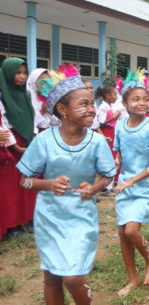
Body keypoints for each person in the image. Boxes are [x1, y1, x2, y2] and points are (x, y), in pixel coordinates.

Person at [16, 64, 116, 305]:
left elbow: (107, 176)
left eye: (92, 103)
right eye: (83, 104)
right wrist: (49, 183)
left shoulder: (97, 142)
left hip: (81, 216)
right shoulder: (44, 141)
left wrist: (94, 188)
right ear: (62, 110)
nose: (92, 109)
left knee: (72, 277)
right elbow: (25, 180)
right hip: (49, 217)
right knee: (51, 275)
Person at [113, 70, 149, 297]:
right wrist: (116, 161)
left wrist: (131, 181)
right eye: (135, 99)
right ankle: (132, 279)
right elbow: (119, 152)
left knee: (132, 230)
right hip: (125, 186)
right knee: (121, 233)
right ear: (124, 102)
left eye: (145, 99)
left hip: (145, 187)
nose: (142, 103)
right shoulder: (120, 126)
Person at [0, 57, 36, 239]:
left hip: (27, 141)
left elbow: (32, 116)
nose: (22, 77)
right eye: (18, 73)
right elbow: (3, 125)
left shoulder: (25, 94)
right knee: (10, 187)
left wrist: (33, 136)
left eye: (24, 72)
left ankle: (27, 219)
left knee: (27, 181)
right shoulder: (2, 95)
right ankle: (12, 226)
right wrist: (16, 146)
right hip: (11, 145)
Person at [95, 84, 125, 194]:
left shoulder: (109, 106)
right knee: (110, 158)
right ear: (107, 96)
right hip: (107, 132)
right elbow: (100, 123)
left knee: (114, 158)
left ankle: (109, 184)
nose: (116, 97)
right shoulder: (103, 107)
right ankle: (106, 186)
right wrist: (113, 117)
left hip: (112, 131)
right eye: (114, 94)